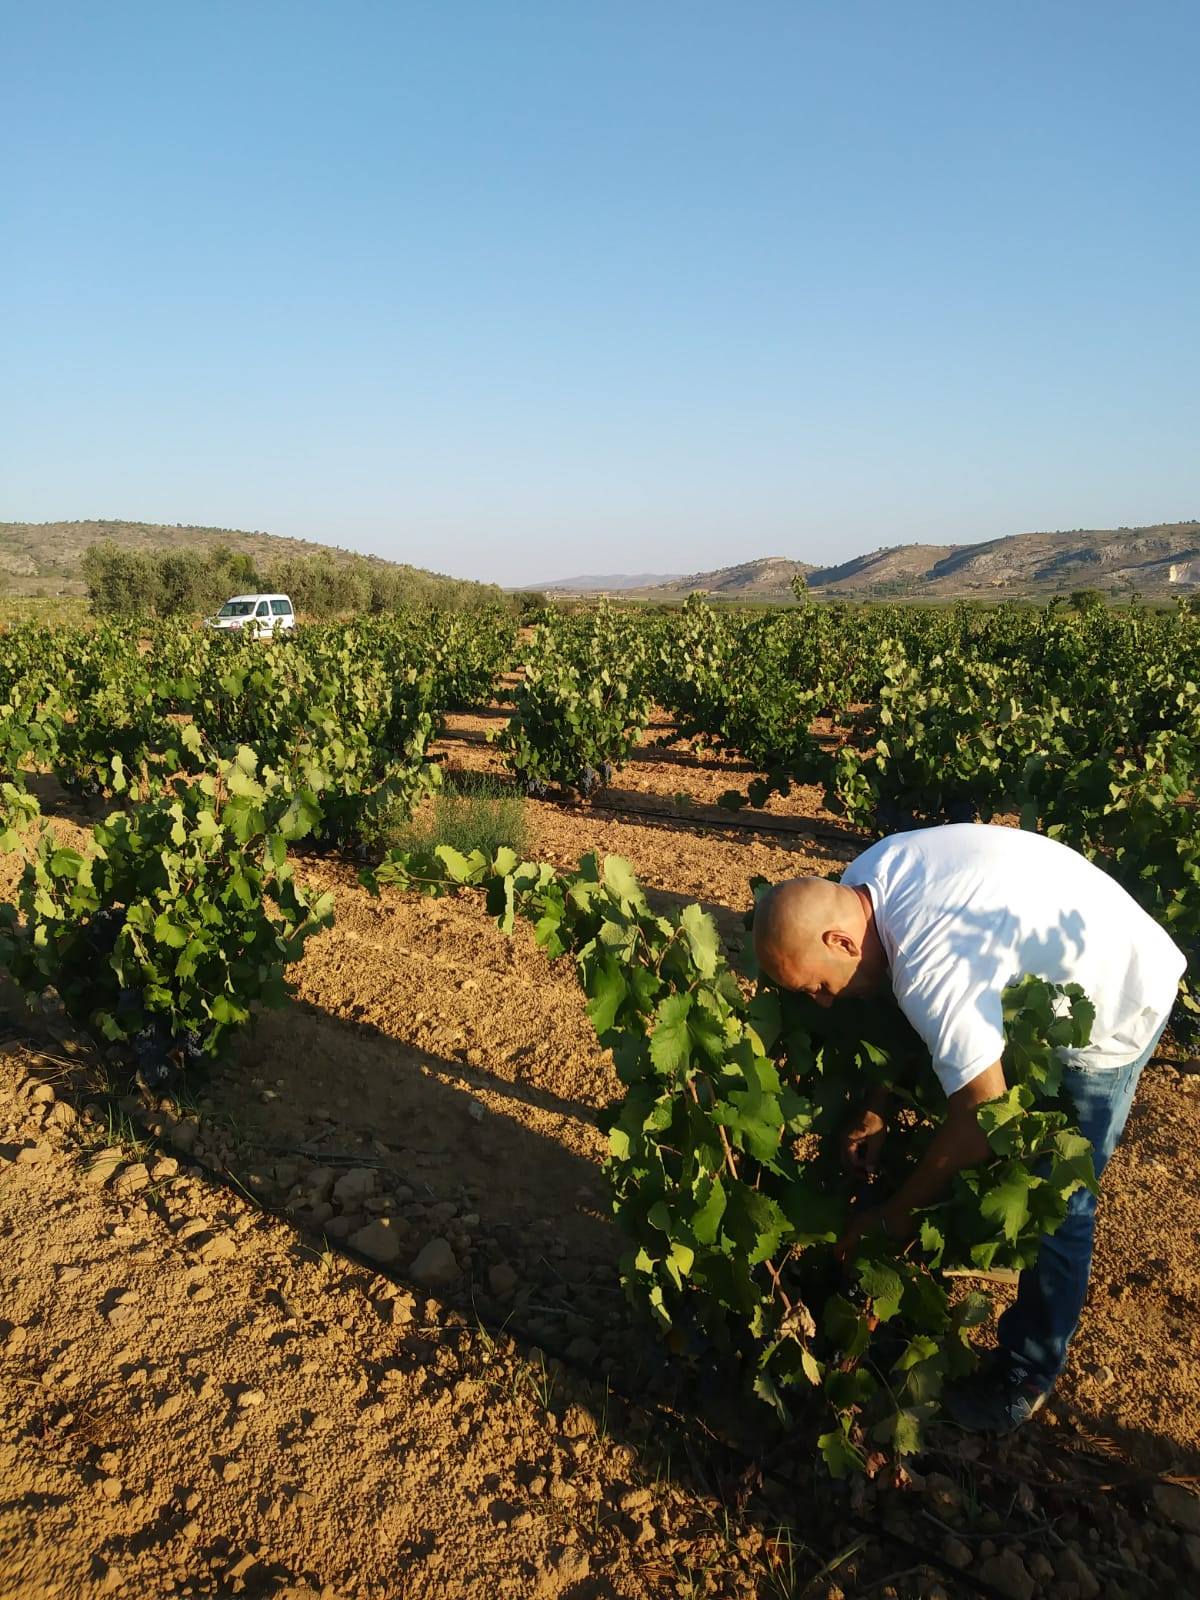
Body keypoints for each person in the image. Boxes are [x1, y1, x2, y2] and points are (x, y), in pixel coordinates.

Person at [752, 824, 1185, 1434]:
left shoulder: (935, 964)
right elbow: (908, 1009)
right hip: (1060, 950)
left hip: (1114, 1000)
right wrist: (878, 1104)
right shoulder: (863, 883)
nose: (822, 1002)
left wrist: (895, 1216)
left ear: (840, 941)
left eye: (818, 986)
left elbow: (984, 1117)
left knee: (1057, 1195)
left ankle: (1026, 1373)